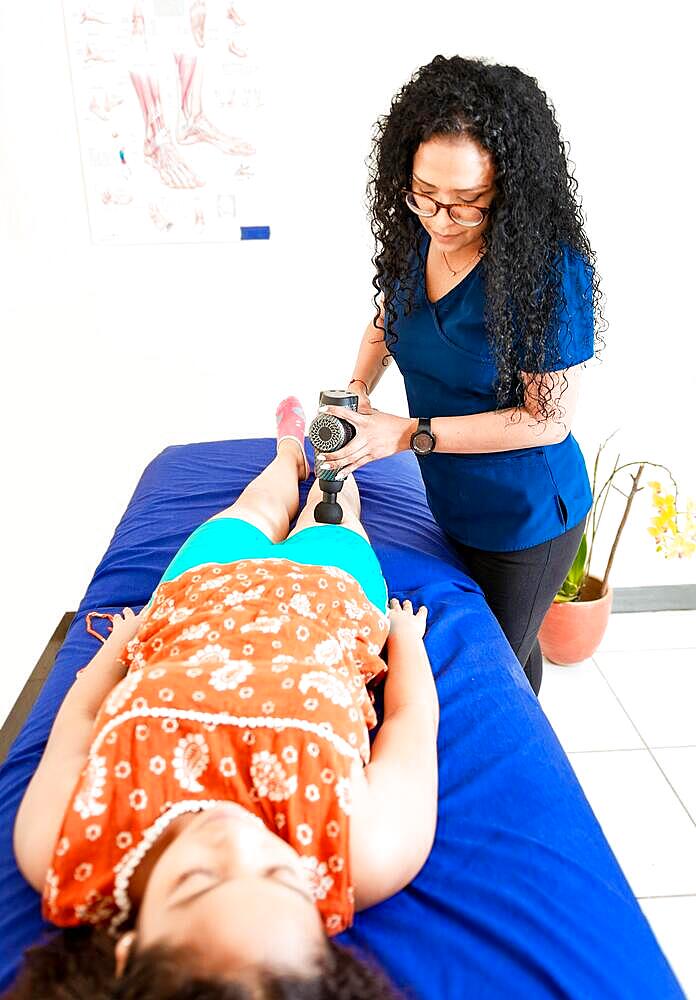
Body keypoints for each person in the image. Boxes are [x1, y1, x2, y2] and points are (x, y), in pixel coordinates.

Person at [9, 397, 438, 999]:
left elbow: (76, 720)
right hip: (327, 600)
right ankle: (319, 464)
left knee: (254, 507)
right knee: (332, 509)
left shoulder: (65, 844)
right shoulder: (367, 852)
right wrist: (407, 640)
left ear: (126, 950)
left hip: (198, 596)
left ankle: (288, 450)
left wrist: (120, 643)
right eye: (282, 877)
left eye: (197, 879)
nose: (237, 837)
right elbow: (410, 724)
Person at [317, 55, 605, 695]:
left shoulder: (547, 274)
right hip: (451, 496)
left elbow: (546, 421)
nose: (439, 220)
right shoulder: (419, 235)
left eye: (467, 204)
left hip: (524, 516)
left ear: (509, 190)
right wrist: (357, 389)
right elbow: (390, 316)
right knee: (492, 651)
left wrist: (407, 434)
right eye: (424, 194)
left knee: (493, 670)